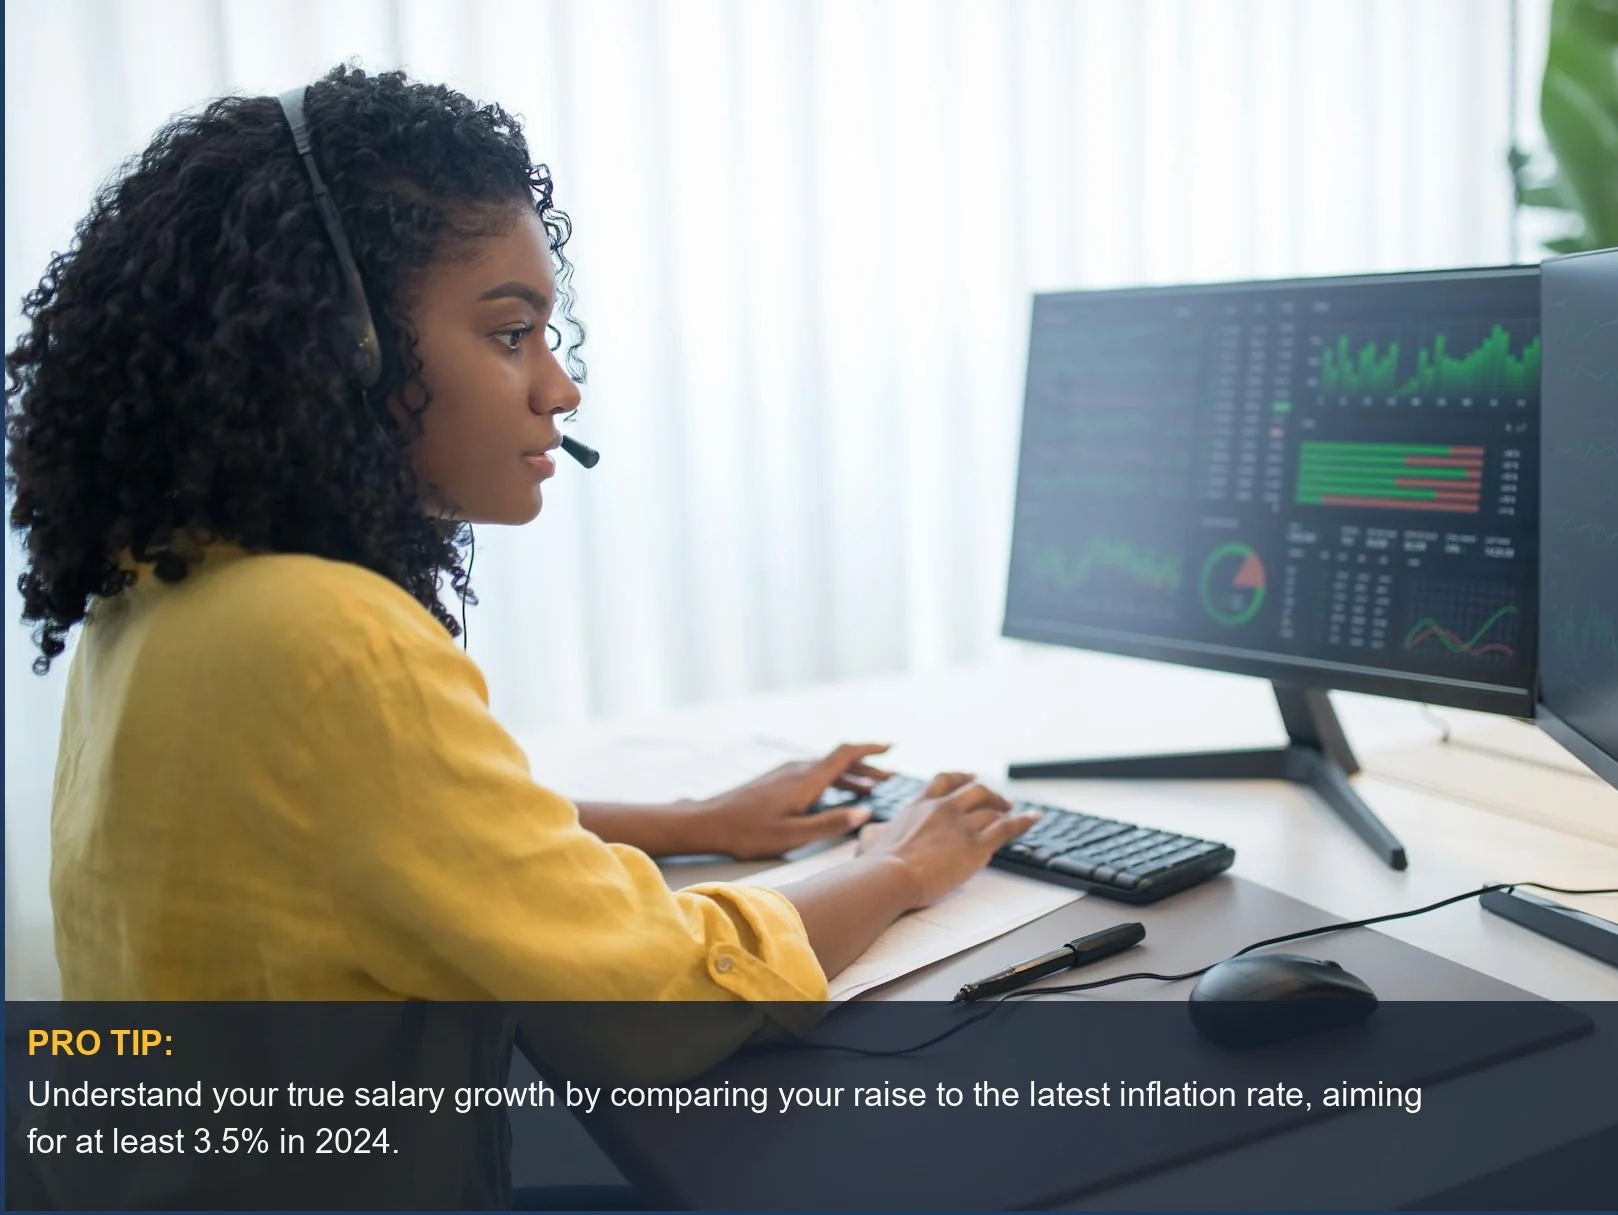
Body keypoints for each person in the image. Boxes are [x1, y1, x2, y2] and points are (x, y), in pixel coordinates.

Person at [3, 64, 1040, 1012]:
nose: (559, 386)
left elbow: (400, 838)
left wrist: (693, 820)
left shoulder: (175, 579)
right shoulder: (329, 634)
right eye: (509, 334)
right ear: (343, 350)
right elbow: (668, 1000)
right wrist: (900, 866)